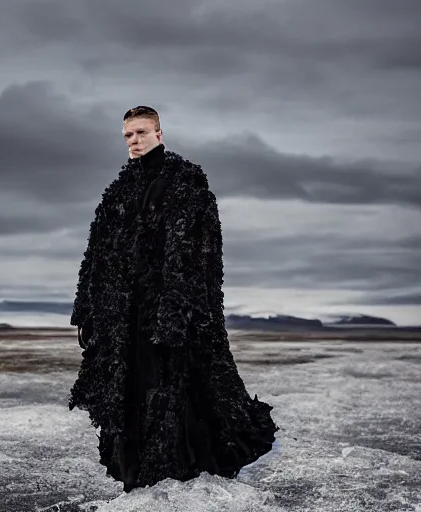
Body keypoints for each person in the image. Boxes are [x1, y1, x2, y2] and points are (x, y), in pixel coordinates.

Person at [68, 106, 277, 492]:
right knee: (129, 382)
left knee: (169, 383)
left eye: (141, 133)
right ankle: (132, 466)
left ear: (159, 134)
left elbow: (203, 253)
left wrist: (180, 308)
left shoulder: (186, 184)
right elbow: (97, 252)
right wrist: (87, 308)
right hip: (124, 308)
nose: (133, 142)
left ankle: (171, 467)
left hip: (167, 307)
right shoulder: (119, 190)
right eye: (127, 136)